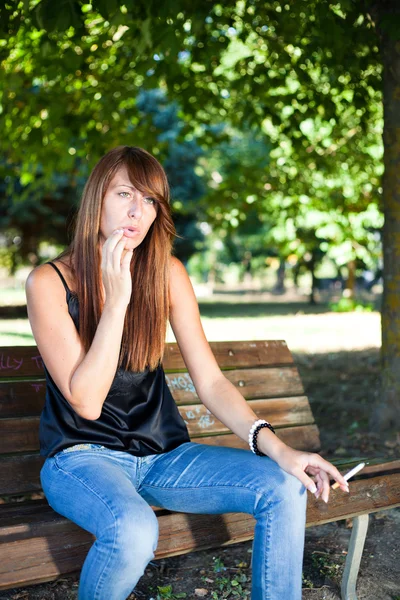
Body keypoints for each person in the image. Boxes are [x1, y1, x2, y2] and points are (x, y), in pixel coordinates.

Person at [25, 145, 349, 600]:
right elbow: (87, 401)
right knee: (135, 529)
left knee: (282, 486)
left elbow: (212, 382)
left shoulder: (167, 274)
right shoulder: (49, 282)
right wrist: (117, 299)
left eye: (150, 201)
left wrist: (281, 451)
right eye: (124, 194)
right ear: (96, 198)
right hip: (80, 460)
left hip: (163, 457)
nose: (137, 212)